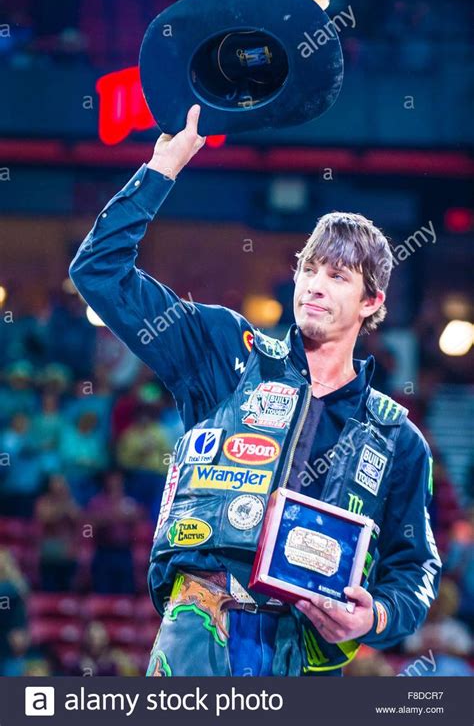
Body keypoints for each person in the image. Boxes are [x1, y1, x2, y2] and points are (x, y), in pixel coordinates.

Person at [70, 104, 442, 677]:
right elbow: (98, 272)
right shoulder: (226, 351)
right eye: (309, 269)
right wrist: (162, 166)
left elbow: (414, 568)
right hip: (201, 623)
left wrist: (376, 618)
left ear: (372, 303)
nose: (315, 287)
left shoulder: (396, 437)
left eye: (337, 277)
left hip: (303, 652)